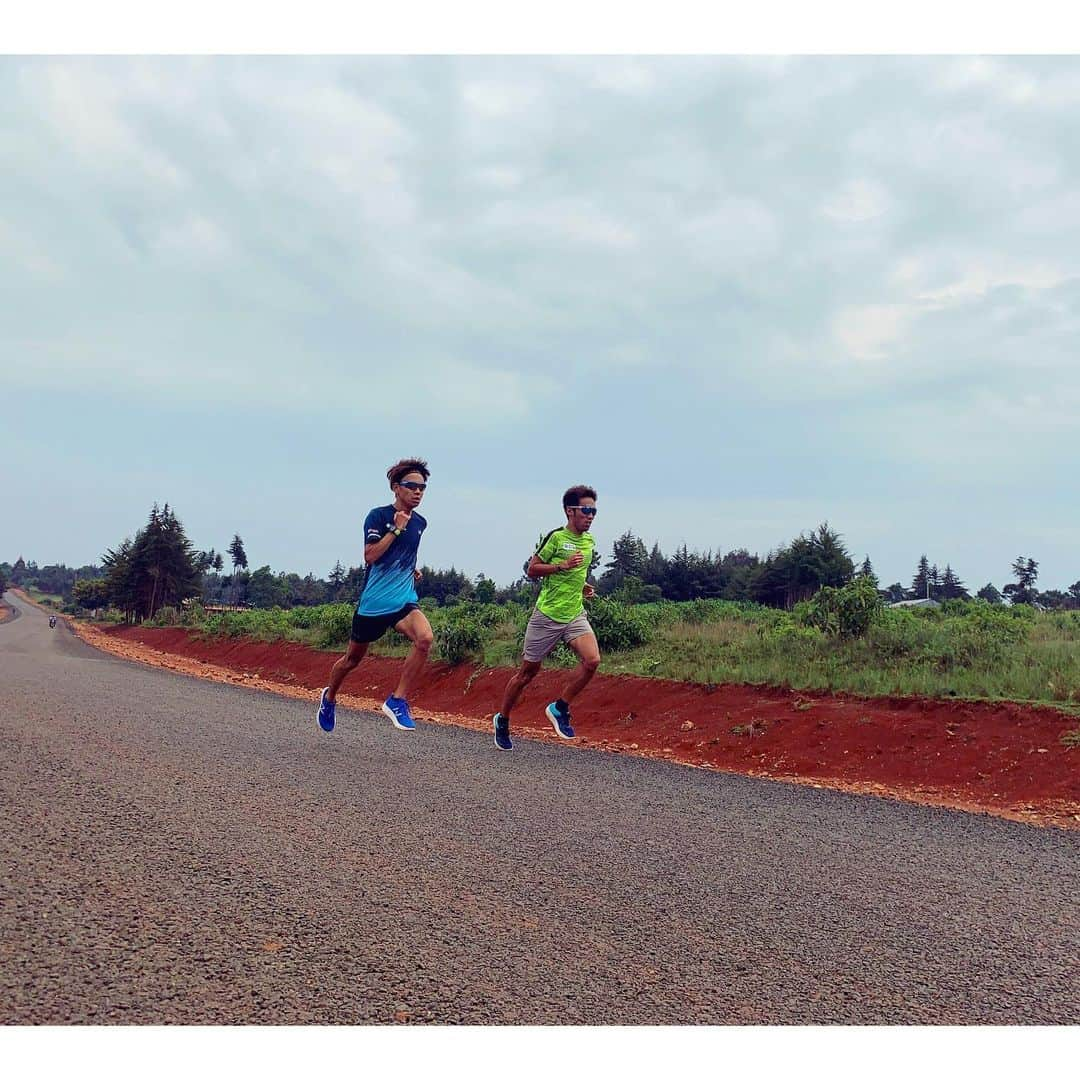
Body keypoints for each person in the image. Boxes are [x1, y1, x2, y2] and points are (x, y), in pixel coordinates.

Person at [317, 458, 434, 734]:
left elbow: (401, 554)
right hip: (374, 604)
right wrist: (395, 529)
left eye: (423, 487)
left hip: (403, 600)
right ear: (396, 488)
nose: (418, 492)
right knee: (351, 660)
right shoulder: (378, 516)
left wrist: (411, 569)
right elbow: (370, 556)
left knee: (425, 638)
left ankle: (397, 700)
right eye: (412, 486)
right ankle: (329, 697)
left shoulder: (421, 523)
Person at [492, 485, 600, 751]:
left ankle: (560, 708)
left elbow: (578, 572)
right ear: (570, 511)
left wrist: (582, 586)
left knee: (592, 660)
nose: (591, 516)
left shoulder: (589, 541)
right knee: (527, 673)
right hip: (547, 615)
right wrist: (560, 566)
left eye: (594, 511)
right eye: (586, 510)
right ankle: (502, 719)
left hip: (574, 613)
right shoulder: (556, 538)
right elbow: (532, 569)